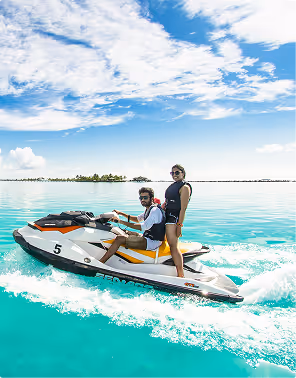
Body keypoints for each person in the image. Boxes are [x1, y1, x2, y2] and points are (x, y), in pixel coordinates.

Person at [100, 187, 165, 263]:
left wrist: (120, 221)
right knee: (121, 231)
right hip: (147, 237)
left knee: (119, 239)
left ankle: (101, 262)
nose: (143, 200)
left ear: (152, 198)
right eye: (141, 198)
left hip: (152, 242)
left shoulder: (154, 210)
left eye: (145, 197)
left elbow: (143, 227)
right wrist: (120, 213)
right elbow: (137, 219)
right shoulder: (149, 209)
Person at [164, 164, 192, 277]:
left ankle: (180, 274)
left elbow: (183, 208)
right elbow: (169, 201)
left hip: (173, 219)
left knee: (173, 246)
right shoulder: (173, 186)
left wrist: (179, 225)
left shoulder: (185, 187)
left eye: (177, 172)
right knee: (165, 242)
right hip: (167, 216)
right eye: (172, 173)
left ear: (183, 173)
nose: (174, 175)